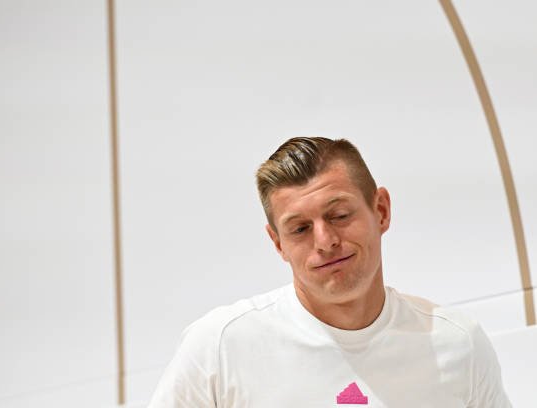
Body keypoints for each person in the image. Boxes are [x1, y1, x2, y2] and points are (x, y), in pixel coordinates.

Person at [147, 137, 511, 407]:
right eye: (300, 229)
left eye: (339, 215)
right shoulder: (220, 347)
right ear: (278, 243)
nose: (325, 241)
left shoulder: (457, 343)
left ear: (381, 211)